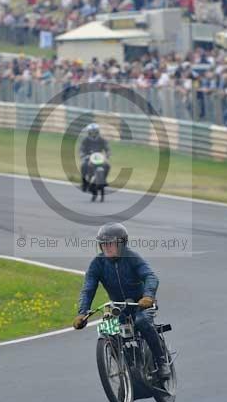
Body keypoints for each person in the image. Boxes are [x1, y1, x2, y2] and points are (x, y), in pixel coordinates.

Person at [73, 223, 170, 379]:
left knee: (142, 322)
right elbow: (88, 288)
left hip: (141, 304)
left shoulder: (132, 257)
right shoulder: (97, 263)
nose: (107, 247)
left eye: (111, 243)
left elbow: (150, 276)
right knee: (107, 330)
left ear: (122, 243)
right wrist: (82, 313)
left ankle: (161, 362)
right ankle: (126, 374)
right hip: (119, 307)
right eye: (103, 244)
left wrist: (148, 296)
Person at [79, 123, 110, 192]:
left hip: (99, 158)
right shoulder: (85, 140)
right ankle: (84, 183)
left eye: (95, 131)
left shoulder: (102, 140)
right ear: (88, 132)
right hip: (88, 157)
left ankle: (104, 180)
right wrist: (82, 155)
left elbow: (107, 148)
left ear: (98, 131)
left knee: (107, 165)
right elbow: (81, 149)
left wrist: (107, 154)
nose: (93, 133)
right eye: (91, 131)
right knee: (83, 166)